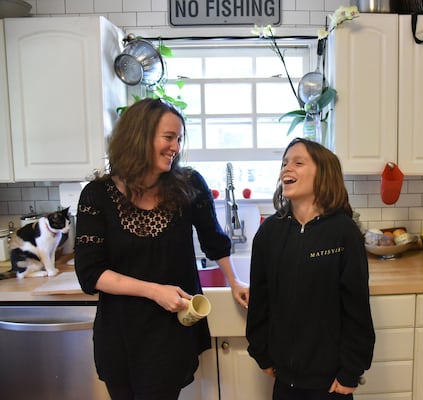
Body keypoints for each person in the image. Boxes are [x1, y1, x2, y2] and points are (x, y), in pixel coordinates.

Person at [74, 98, 249, 400]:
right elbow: (91, 273)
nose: (176, 147)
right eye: (169, 137)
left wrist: (234, 281)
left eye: (179, 138)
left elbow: (213, 239)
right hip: (120, 331)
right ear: (139, 137)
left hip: (170, 331)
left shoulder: (188, 184)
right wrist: (155, 290)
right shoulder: (97, 195)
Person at [246, 137, 375, 399]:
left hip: (330, 382)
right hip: (283, 378)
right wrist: (261, 353)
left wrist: (351, 370)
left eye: (298, 162)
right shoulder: (269, 233)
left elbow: (357, 308)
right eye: (284, 163)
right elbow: (260, 300)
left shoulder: (344, 233)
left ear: (323, 174)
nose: (286, 168)